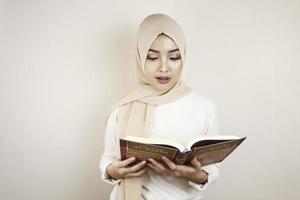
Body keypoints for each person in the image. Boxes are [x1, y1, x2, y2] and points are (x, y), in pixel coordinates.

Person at [99, 13, 221, 200]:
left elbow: (212, 167)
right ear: (140, 58)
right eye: (152, 57)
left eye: (173, 57)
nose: (163, 68)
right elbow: (108, 159)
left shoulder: (204, 106)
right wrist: (113, 171)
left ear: (183, 58)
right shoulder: (123, 107)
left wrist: (195, 175)